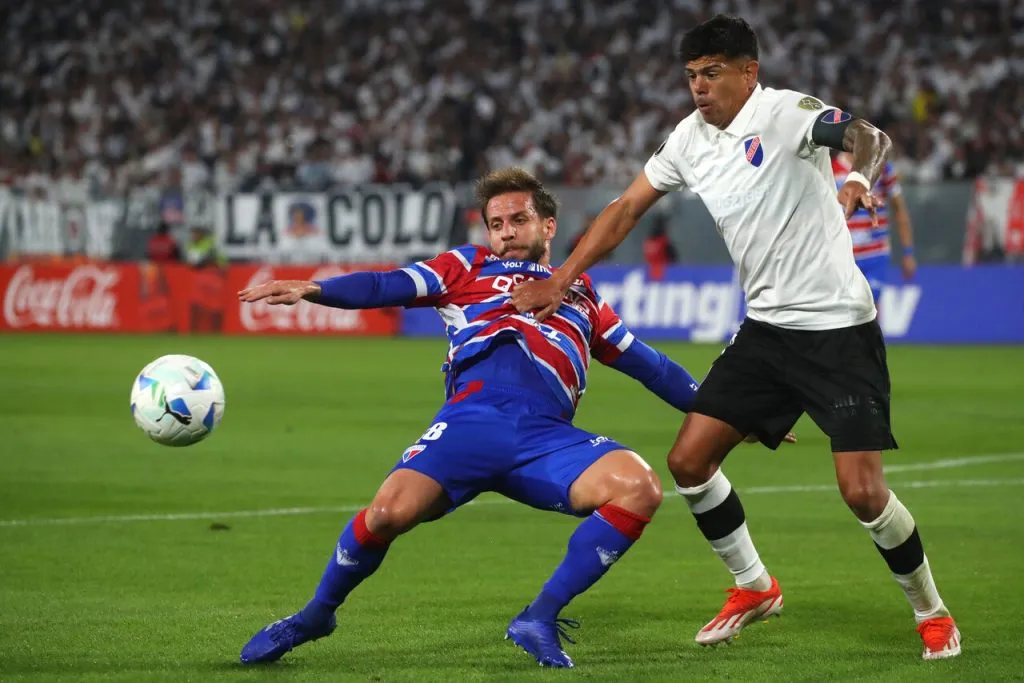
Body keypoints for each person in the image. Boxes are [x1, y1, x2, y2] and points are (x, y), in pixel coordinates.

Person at [511, 14, 960, 662]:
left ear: (748, 72)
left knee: (862, 491)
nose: (698, 85)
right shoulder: (688, 140)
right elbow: (624, 209)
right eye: (692, 74)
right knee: (689, 460)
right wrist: (561, 278)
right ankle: (755, 585)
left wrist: (856, 175)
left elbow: (867, 134)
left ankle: (933, 610)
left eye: (712, 72)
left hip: (838, 328)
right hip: (765, 331)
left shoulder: (784, 114)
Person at [235, 167, 704, 669]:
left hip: (545, 438)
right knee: (386, 515)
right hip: (469, 423)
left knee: (640, 488)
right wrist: (316, 289)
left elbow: (653, 367)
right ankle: (315, 615)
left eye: (518, 219)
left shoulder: (582, 296)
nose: (506, 230)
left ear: (547, 227)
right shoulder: (464, 266)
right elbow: (386, 285)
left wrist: (726, 411)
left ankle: (538, 616)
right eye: (496, 222)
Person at [832, 151, 917, 302]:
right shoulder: (831, 168)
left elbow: (899, 208)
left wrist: (908, 251)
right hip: (845, 256)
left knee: (872, 308)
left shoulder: (881, 167)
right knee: (845, 313)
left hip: (875, 253)